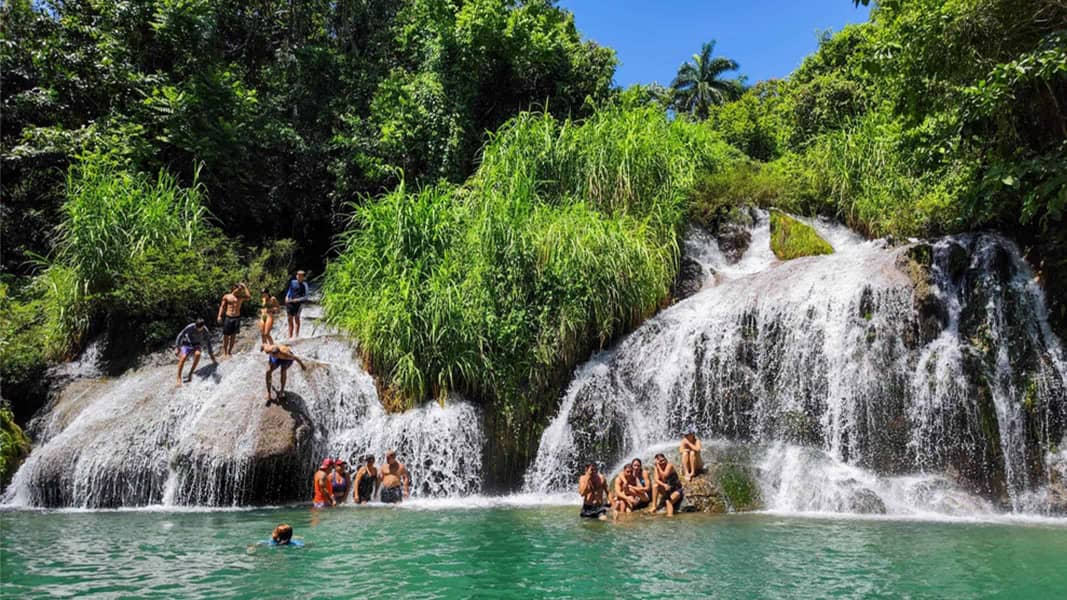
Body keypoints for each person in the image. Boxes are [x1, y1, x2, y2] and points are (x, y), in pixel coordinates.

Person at [174, 319, 216, 386]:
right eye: (196, 327)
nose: (197, 328)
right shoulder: (190, 327)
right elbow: (181, 335)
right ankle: (178, 378)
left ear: (203, 326)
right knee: (183, 357)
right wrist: (177, 347)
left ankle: (190, 373)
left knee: (198, 354)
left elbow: (208, 342)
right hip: (187, 344)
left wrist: (211, 354)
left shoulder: (205, 330)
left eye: (198, 328)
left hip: (197, 345)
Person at [217, 282, 251, 358]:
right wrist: (219, 316)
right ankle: (225, 353)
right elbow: (222, 306)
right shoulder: (227, 296)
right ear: (234, 288)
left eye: (240, 289)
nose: (239, 290)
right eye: (238, 289)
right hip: (228, 317)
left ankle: (229, 352)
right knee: (226, 336)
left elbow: (249, 297)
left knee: (233, 336)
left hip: (237, 318)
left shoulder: (241, 297)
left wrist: (245, 287)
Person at [284, 270, 310, 339]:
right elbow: (290, 290)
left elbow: (306, 297)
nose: (298, 277)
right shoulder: (292, 282)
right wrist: (287, 296)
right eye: (298, 275)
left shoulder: (305, 285)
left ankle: (296, 336)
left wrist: (298, 300)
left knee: (296, 318)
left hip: (299, 304)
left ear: (303, 277)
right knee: (289, 319)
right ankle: (290, 336)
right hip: (290, 302)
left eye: (300, 276)